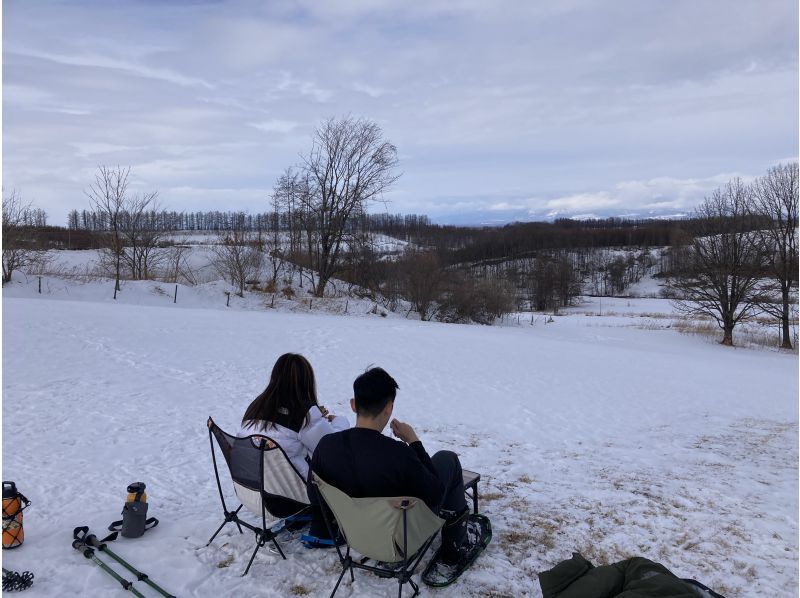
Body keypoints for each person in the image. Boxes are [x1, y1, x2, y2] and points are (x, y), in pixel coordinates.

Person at [312, 367, 481, 568]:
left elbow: (316, 498)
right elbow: (436, 493)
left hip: (355, 537)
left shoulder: (325, 446)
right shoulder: (398, 454)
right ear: (389, 408)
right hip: (399, 541)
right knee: (447, 459)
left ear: (353, 405)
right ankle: (455, 547)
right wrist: (414, 442)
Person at [240, 353, 349, 481]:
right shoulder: (303, 413)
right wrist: (340, 422)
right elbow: (331, 450)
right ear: (306, 381)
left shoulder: (256, 406)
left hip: (251, 486)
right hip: (291, 493)